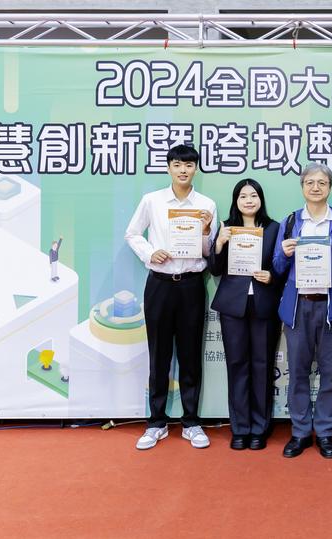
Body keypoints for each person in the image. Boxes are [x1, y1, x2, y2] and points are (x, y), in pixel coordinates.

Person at [125, 144, 217, 451]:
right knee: (159, 355)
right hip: (160, 285)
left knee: (190, 355)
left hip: (191, 285)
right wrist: (150, 253)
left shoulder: (206, 204)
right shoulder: (152, 200)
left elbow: (209, 252)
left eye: (188, 165)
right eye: (177, 164)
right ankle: (156, 422)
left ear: (195, 169)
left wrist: (206, 231)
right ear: (168, 168)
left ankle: (191, 422)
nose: (183, 170)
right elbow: (132, 233)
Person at [272, 162, 332, 459]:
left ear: (329, 188)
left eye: (322, 183)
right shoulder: (290, 222)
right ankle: (300, 432)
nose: (315, 187)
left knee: (330, 373)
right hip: (298, 306)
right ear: (302, 187)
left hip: (331, 306)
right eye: (310, 182)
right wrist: (284, 254)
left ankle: (325, 432)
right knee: (298, 372)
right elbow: (277, 267)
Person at [208, 179, 281, 450]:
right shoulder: (226, 227)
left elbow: (282, 266)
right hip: (233, 305)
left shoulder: (274, 228)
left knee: (262, 366)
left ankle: (259, 428)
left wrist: (272, 276)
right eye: (243, 196)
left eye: (253, 195)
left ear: (261, 199)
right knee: (237, 365)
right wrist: (219, 244)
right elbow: (214, 269)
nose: (248, 200)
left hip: (264, 304)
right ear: (235, 201)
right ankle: (240, 428)